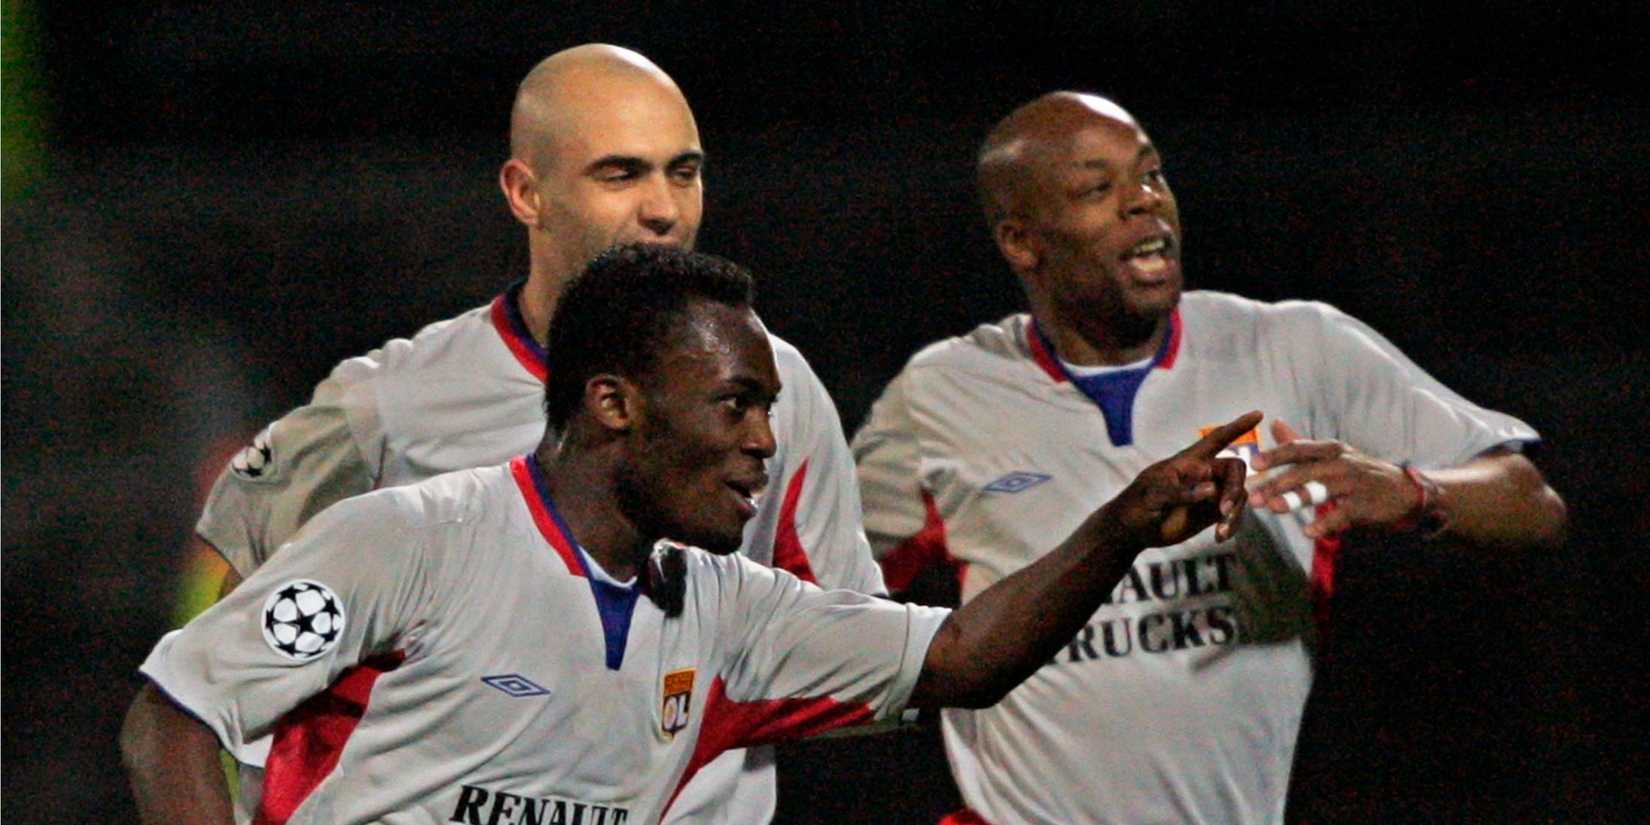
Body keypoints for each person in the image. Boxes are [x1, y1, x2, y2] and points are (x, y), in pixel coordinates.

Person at [121, 244, 1262, 825]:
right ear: (615, 403)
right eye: (737, 404)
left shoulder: (729, 611)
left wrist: (1121, 525)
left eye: (769, 406)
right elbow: (173, 718)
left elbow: (961, 658)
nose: (769, 440)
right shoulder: (412, 541)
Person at [139, 44, 883, 825]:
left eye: (684, 171)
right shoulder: (391, 403)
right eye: (621, 174)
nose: (664, 207)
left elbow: (845, 658)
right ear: (526, 192)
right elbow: (227, 616)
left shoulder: (780, 390)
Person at [852, 91, 1568, 825]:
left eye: (1151, 174)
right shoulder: (942, 392)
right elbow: (818, 598)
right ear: (1022, 241)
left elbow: (1532, 502)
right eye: (1100, 189)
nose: (1144, 203)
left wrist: (1416, 491)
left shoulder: (1296, 349)